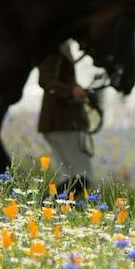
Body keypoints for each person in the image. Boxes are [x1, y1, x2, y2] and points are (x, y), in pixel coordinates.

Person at [37, 42, 95, 197]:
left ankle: (47, 208)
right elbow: (46, 81)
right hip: (62, 121)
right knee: (81, 177)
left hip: (62, 121)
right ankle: (44, 206)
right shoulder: (54, 49)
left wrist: (76, 90)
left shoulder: (61, 47)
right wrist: (71, 91)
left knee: (70, 176)